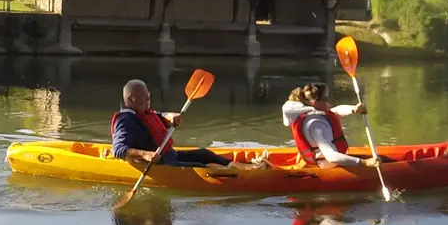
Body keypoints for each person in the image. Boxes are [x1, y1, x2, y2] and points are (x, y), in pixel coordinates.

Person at [112, 78, 258, 169]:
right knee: (205, 167)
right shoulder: (125, 120)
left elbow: (157, 117)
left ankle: (243, 167)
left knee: (204, 153)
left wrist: (169, 116)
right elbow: (117, 150)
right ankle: (245, 173)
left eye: (149, 97)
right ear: (131, 100)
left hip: (170, 155)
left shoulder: (143, 111)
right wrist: (145, 155)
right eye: (144, 98)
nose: (148, 100)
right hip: (160, 164)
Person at [280, 82, 382, 168]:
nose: (329, 102)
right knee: (385, 162)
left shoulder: (313, 114)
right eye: (326, 98)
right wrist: (364, 163)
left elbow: (336, 111)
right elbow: (331, 156)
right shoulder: (316, 124)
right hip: (326, 164)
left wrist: (354, 109)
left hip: (324, 160)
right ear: (314, 102)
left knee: (383, 159)